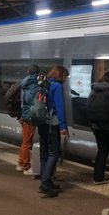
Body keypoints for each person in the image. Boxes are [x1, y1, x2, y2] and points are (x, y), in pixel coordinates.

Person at [38, 65, 69, 198]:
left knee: (45, 153)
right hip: (52, 123)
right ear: (61, 75)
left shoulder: (45, 83)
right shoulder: (57, 86)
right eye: (66, 76)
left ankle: (47, 180)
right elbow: (60, 107)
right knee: (53, 153)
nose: (66, 79)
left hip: (42, 122)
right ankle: (45, 183)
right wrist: (63, 127)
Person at [15, 64, 39, 175]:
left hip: (23, 115)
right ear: (37, 73)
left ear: (28, 71)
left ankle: (20, 163)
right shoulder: (34, 85)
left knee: (25, 141)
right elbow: (31, 102)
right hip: (29, 116)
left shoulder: (24, 82)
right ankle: (26, 166)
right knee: (27, 142)